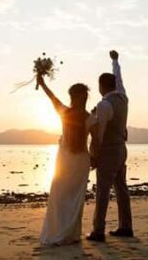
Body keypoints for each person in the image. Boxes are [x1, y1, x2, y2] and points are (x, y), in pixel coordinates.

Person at [37, 75, 95, 246]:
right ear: (85, 98)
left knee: (60, 198)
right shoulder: (91, 118)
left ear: (72, 97)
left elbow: (52, 97)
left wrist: (42, 84)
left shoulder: (64, 112)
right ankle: (72, 234)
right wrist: (95, 158)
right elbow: (97, 141)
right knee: (76, 198)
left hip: (65, 160)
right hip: (81, 161)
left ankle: (58, 233)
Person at [87, 50, 133, 242]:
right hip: (122, 149)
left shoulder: (104, 105)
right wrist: (115, 60)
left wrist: (94, 156)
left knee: (103, 190)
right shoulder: (122, 96)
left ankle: (98, 230)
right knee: (121, 188)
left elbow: (99, 134)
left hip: (109, 151)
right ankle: (126, 226)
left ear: (100, 86)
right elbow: (119, 76)